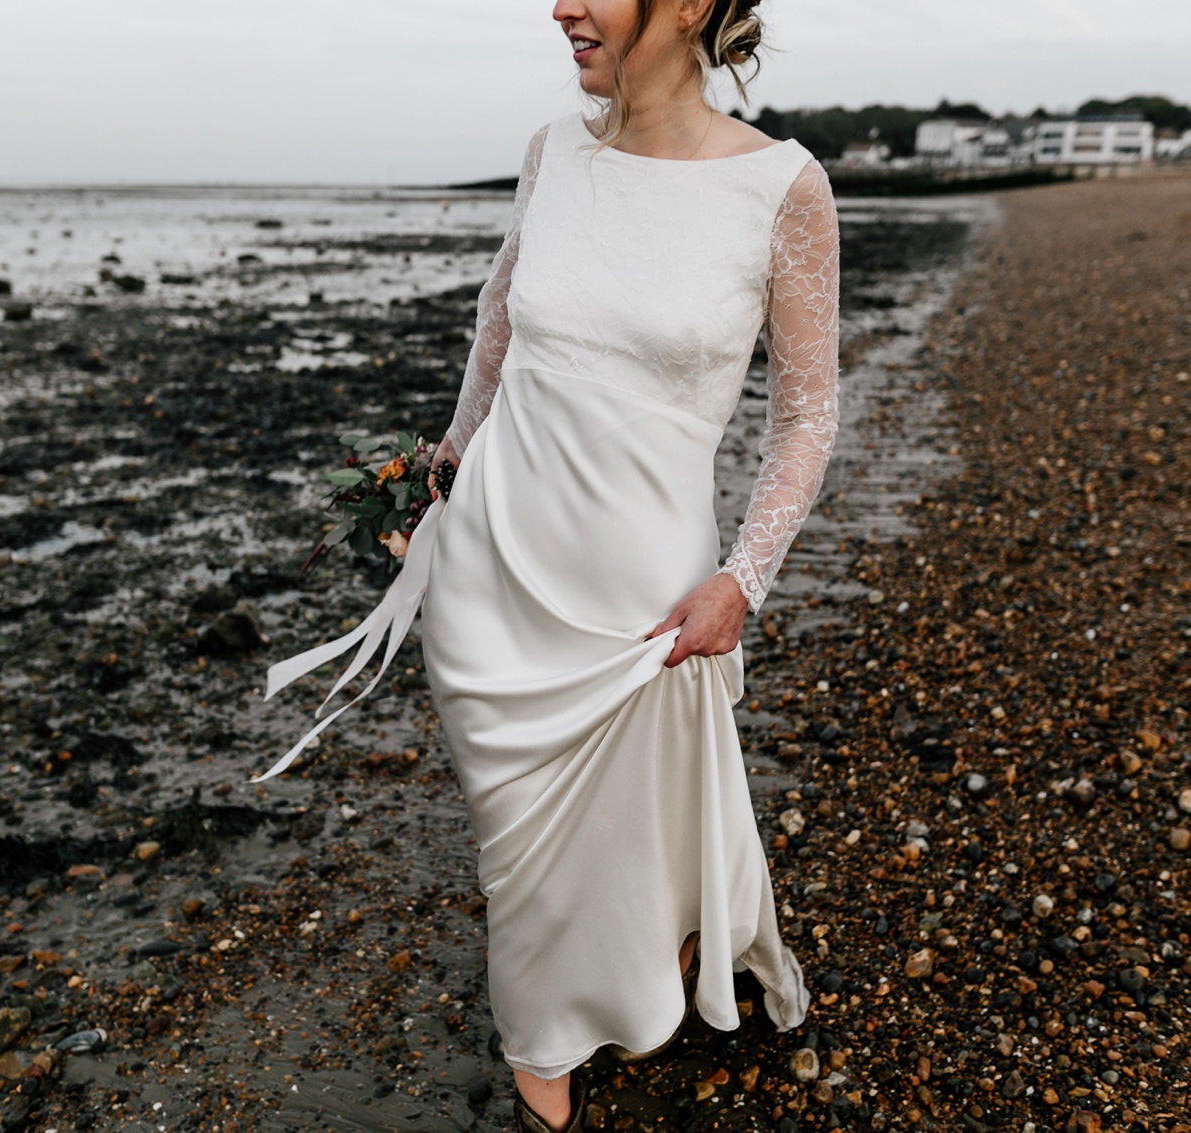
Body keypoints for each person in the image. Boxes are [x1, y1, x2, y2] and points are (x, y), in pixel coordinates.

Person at [260, 1, 840, 1130]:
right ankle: (544, 1049)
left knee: (641, 813)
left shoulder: (781, 187)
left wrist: (742, 578)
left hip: (646, 588)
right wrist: (438, 472)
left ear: (686, 5)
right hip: (491, 562)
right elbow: (498, 330)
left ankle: (662, 948)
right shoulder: (552, 151)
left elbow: (807, 417)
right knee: (517, 838)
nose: (561, 4)